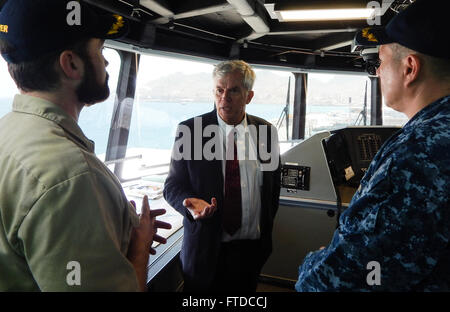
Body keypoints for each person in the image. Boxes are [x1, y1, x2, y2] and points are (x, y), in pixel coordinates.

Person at [0, 0, 170, 291]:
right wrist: (140, 247)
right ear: (72, 64)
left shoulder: (8, 131)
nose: (105, 62)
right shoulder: (71, 176)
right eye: (100, 51)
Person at [295, 0, 450, 291]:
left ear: (410, 67)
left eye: (379, 62)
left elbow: (338, 280)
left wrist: (310, 264)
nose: (377, 72)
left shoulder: (417, 154)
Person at [163, 60, 281, 292]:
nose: (224, 97)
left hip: (250, 252)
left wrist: (264, 236)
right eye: (219, 90)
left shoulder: (267, 132)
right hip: (205, 251)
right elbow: (172, 186)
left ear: (249, 96)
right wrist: (190, 205)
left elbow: (271, 190)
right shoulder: (191, 131)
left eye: (234, 90)